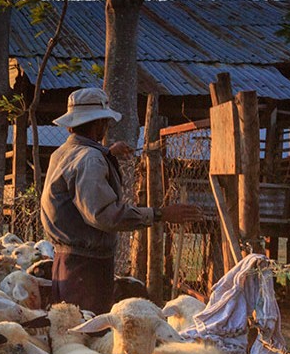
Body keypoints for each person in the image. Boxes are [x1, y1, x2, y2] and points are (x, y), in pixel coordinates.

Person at [40, 87, 203, 315]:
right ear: (99, 124)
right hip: (87, 270)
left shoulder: (64, 153)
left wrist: (108, 152)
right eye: (105, 123)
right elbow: (104, 215)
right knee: (89, 333)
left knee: (69, 331)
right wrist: (160, 214)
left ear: (71, 125)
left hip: (65, 262)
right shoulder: (91, 159)